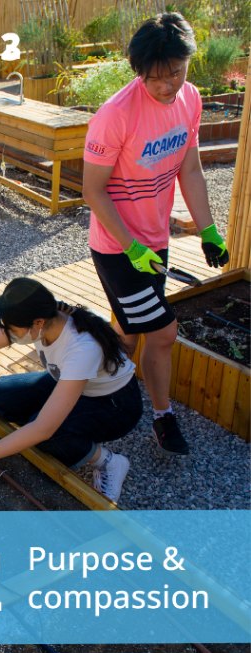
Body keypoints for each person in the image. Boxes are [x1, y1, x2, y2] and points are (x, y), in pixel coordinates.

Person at [82, 12, 229, 457]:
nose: (169, 87)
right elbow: (93, 190)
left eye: (177, 74)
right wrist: (131, 247)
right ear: (139, 71)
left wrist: (209, 230)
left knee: (128, 332)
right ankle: (163, 417)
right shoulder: (115, 116)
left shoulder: (191, 99)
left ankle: (91, 400)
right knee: (163, 332)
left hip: (156, 241)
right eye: (157, 78)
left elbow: (190, 165)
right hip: (117, 246)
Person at [0, 278, 142, 503]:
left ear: (38, 323)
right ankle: (51, 418)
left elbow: (43, 430)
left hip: (114, 404)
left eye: (11, 328)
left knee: (46, 437)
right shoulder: (43, 319)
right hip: (68, 380)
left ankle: (109, 462)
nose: (8, 333)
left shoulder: (81, 348)